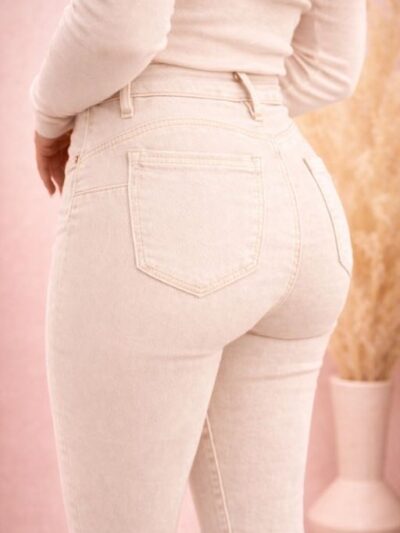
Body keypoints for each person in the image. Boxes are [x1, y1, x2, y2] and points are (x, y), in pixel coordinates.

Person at [29, 1, 367, 532]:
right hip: (296, 188)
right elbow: (334, 66)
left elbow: (123, 26)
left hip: (163, 187)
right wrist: (233, 111)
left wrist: (49, 113)